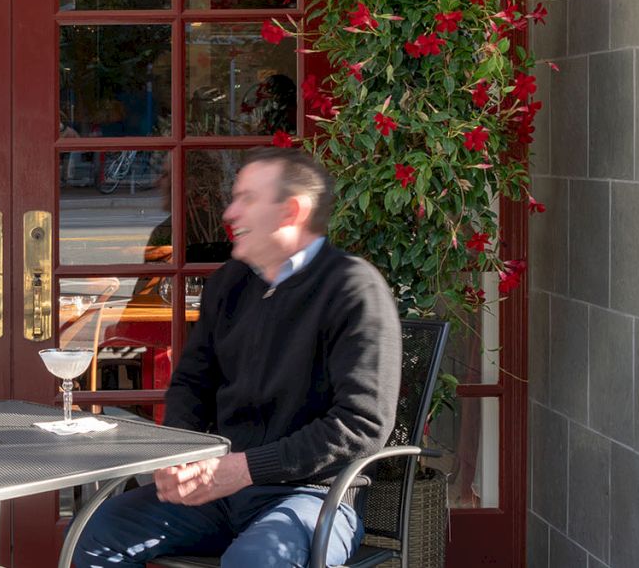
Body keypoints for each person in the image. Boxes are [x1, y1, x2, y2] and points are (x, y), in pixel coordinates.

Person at [74, 146, 401, 567]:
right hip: (220, 491)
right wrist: (182, 457)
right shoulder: (229, 283)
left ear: (291, 211)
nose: (230, 213)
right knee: (98, 528)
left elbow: (362, 425)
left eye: (247, 199)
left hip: (313, 495)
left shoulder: (352, 288)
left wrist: (244, 468)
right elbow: (192, 385)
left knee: (257, 560)